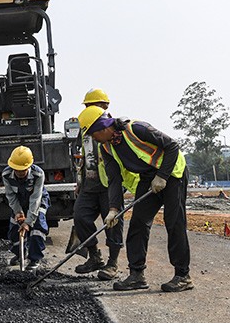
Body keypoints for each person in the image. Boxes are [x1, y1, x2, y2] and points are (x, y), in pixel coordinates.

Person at [78, 105, 192, 292]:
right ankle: (136, 275)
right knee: (138, 223)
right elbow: (114, 180)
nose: (93, 138)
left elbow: (172, 146)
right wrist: (113, 209)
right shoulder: (106, 148)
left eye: (92, 133)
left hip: (172, 173)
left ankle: (183, 275)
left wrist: (162, 176)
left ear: (102, 127)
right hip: (148, 178)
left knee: (174, 222)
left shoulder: (136, 129)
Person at [72, 89, 130, 280]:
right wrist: (80, 182)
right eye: (88, 106)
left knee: (113, 223)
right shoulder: (84, 130)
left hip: (109, 186)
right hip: (89, 185)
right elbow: (82, 157)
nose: (90, 109)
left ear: (105, 106)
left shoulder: (114, 128)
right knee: (80, 217)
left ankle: (112, 263)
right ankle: (94, 256)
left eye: (94, 105)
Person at [3, 146, 50, 271]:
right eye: (17, 170)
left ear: (29, 166)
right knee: (14, 229)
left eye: (22, 170)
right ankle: (20, 254)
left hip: (38, 202)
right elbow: (11, 196)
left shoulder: (38, 174)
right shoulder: (6, 175)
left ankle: (34, 258)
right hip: (19, 202)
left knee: (37, 228)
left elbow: (35, 199)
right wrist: (18, 212)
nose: (19, 173)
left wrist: (28, 222)